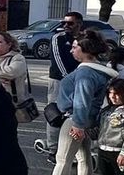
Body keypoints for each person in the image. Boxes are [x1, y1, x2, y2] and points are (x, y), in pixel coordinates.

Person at [27, 31, 115, 175]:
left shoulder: (85, 73)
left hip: (75, 119)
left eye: (75, 47)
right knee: (84, 157)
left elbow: (81, 100)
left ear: (86, 50)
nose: (71, 50)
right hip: (87, 119)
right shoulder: (98, 70)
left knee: (63, 158)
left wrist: (78, 124)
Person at [34, 12, 86, 161]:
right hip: (59, 80)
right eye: (64, 23)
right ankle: (53, 148)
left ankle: (76, 147)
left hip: (79, 79)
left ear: (79, 24)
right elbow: (57, 60)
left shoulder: (84, 38)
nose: (66, 25)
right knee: (55, 112)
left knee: (77, 111)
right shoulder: (58, 38)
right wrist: (69, 78)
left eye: (70, 23)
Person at [0, 31, 33, 109]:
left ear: (9, 44)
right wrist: (0, 78)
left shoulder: (18, 58)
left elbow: (11, 72)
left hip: (12, 104)